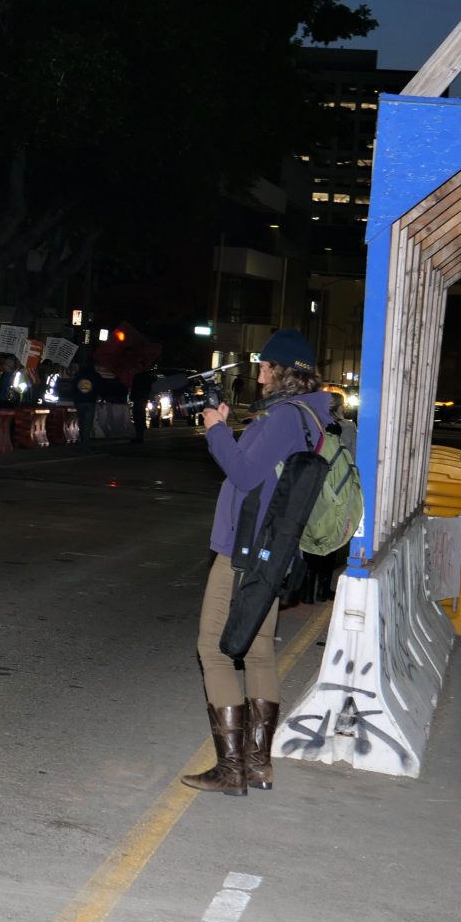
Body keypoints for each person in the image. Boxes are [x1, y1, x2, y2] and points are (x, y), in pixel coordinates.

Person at [183, 328, 335, 796]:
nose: (261, 374)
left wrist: (214, 428)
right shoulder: (311, 415)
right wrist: (229, 428)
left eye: (266, 367)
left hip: (245, 550)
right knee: (260, 650)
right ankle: (258, 764)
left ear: (282, 371)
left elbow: (244, 472)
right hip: (273, 548)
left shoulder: (283, 418)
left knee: (214, 649)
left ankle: (232, 769)